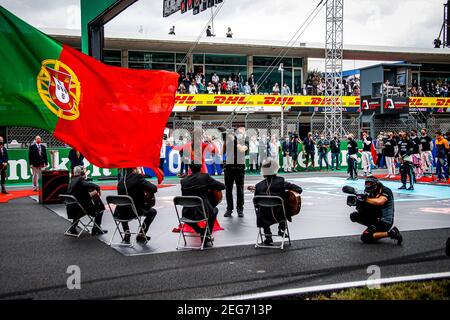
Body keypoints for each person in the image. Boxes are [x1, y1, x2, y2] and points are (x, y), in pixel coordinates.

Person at [254, 159, 303, 245]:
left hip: (263, 217)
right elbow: (299, 189)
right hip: (279, 215)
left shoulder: (258, 186)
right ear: (275, 169)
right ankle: (282, 228)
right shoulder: (281, 181)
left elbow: (256, 204)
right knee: (284, 205)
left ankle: (268, 236)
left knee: (262, 209)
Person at [180, 163, 225, 246]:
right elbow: (222, 186)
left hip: (186, 214)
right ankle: (206, 234)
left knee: (207, 210)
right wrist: (209, 187)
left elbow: (184, 195)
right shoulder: (205, 177)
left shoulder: (183, 181)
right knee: (214, 210)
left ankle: (200, 230)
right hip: (202, 213)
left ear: (190, 168)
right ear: (201, 167)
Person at [349, 177, 403, 245]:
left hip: (384, 221)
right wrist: (359, 204)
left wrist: (365, 199)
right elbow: (368, 205)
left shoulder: (385, 191)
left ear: (377, 185)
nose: (370, 191)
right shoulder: (370, 192)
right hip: (376, 218)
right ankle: (373, 229)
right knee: (355, 216)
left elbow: (380, 202)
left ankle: (392, 233)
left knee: (365, 238)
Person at [116, 167, 158, 243]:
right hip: (134, 211)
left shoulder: (120, 182)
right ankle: (141, 234)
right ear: (134, 169)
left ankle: (127, 233)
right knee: (152, 212)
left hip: (120, 213)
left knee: (124, 206)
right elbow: (154, 188)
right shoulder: (137, 177)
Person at [66, 166, 107, 236]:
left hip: (71, 209)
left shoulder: (72, 181)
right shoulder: (80, 181)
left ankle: (73, 227)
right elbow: (93, 185)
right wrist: (98, 189)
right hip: (80, 209)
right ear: (82, 173)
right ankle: (96, 228)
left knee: (80, 203)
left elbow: (81, 192)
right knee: (100, 208)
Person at [223, 127, 248, 218]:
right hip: (229, 168)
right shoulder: (228, 141)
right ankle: (229, 209)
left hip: (239, 168)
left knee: (240, 190)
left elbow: (241, 149)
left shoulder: (245, 142)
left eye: (242, 132)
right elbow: (223, 150)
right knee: (228, 190)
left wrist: (235, 140)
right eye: (238, 131)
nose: (239, 133)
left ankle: (240, 209)